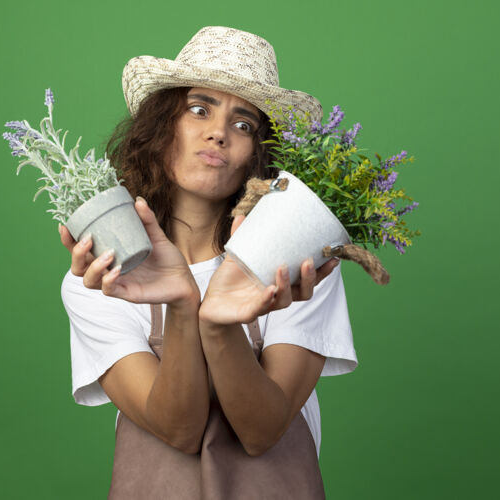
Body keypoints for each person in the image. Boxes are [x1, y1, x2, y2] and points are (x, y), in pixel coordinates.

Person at [58, 26, 357, 499]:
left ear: (259, 154)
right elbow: (177, 430)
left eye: (244, 125)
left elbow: (262, 431)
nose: (219, 132)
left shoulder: (296, 263)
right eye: (199, 109)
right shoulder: (104, 279)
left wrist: (217, 324)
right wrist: (183, 302)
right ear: (161, 128)